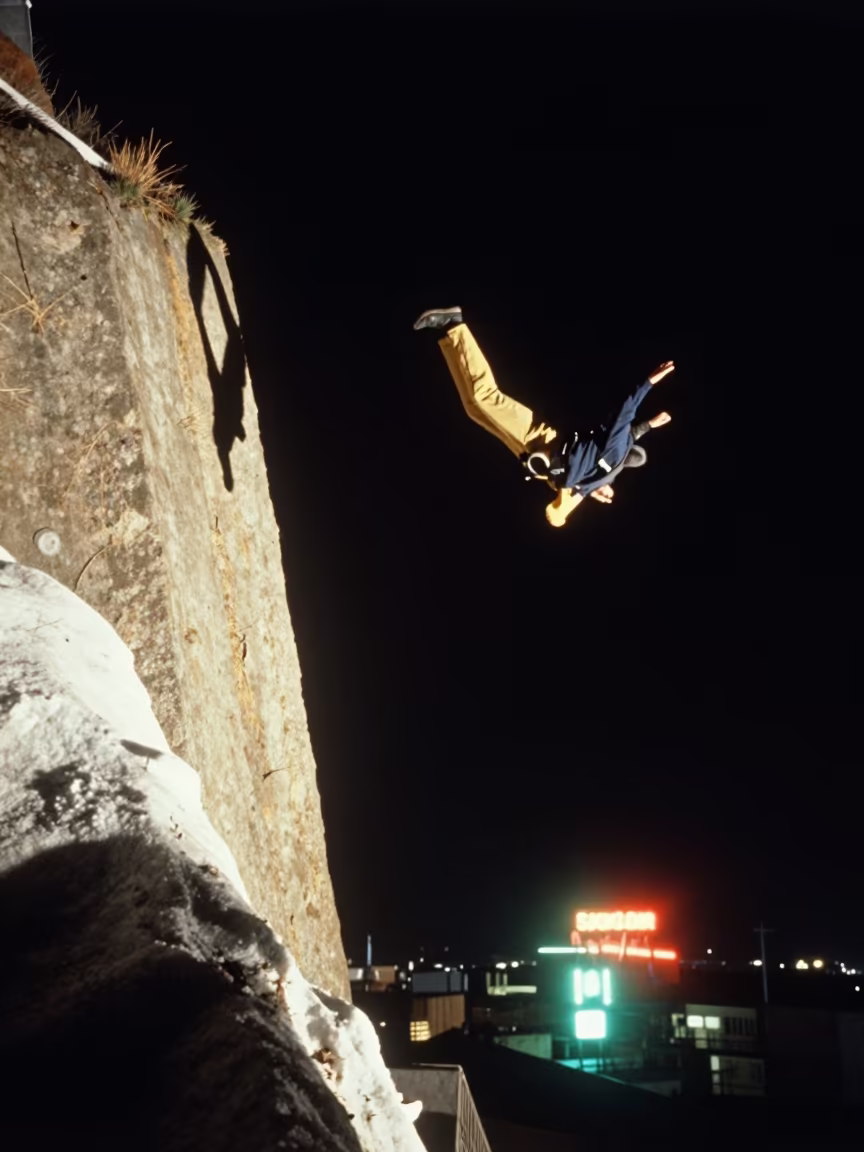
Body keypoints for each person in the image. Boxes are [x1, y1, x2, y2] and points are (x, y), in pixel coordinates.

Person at [414, 306, 675, 527]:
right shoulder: (614, 454)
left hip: (532, 455)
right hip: (542, 438)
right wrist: (648, 385)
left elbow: (555, 515)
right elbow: (625, 415)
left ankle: (449, 337)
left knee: (474, 409)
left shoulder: (588, 484)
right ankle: (455, 324)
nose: (607, 497)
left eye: (605, 497)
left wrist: (573, 500)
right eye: (608, 493)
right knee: (486, 397)